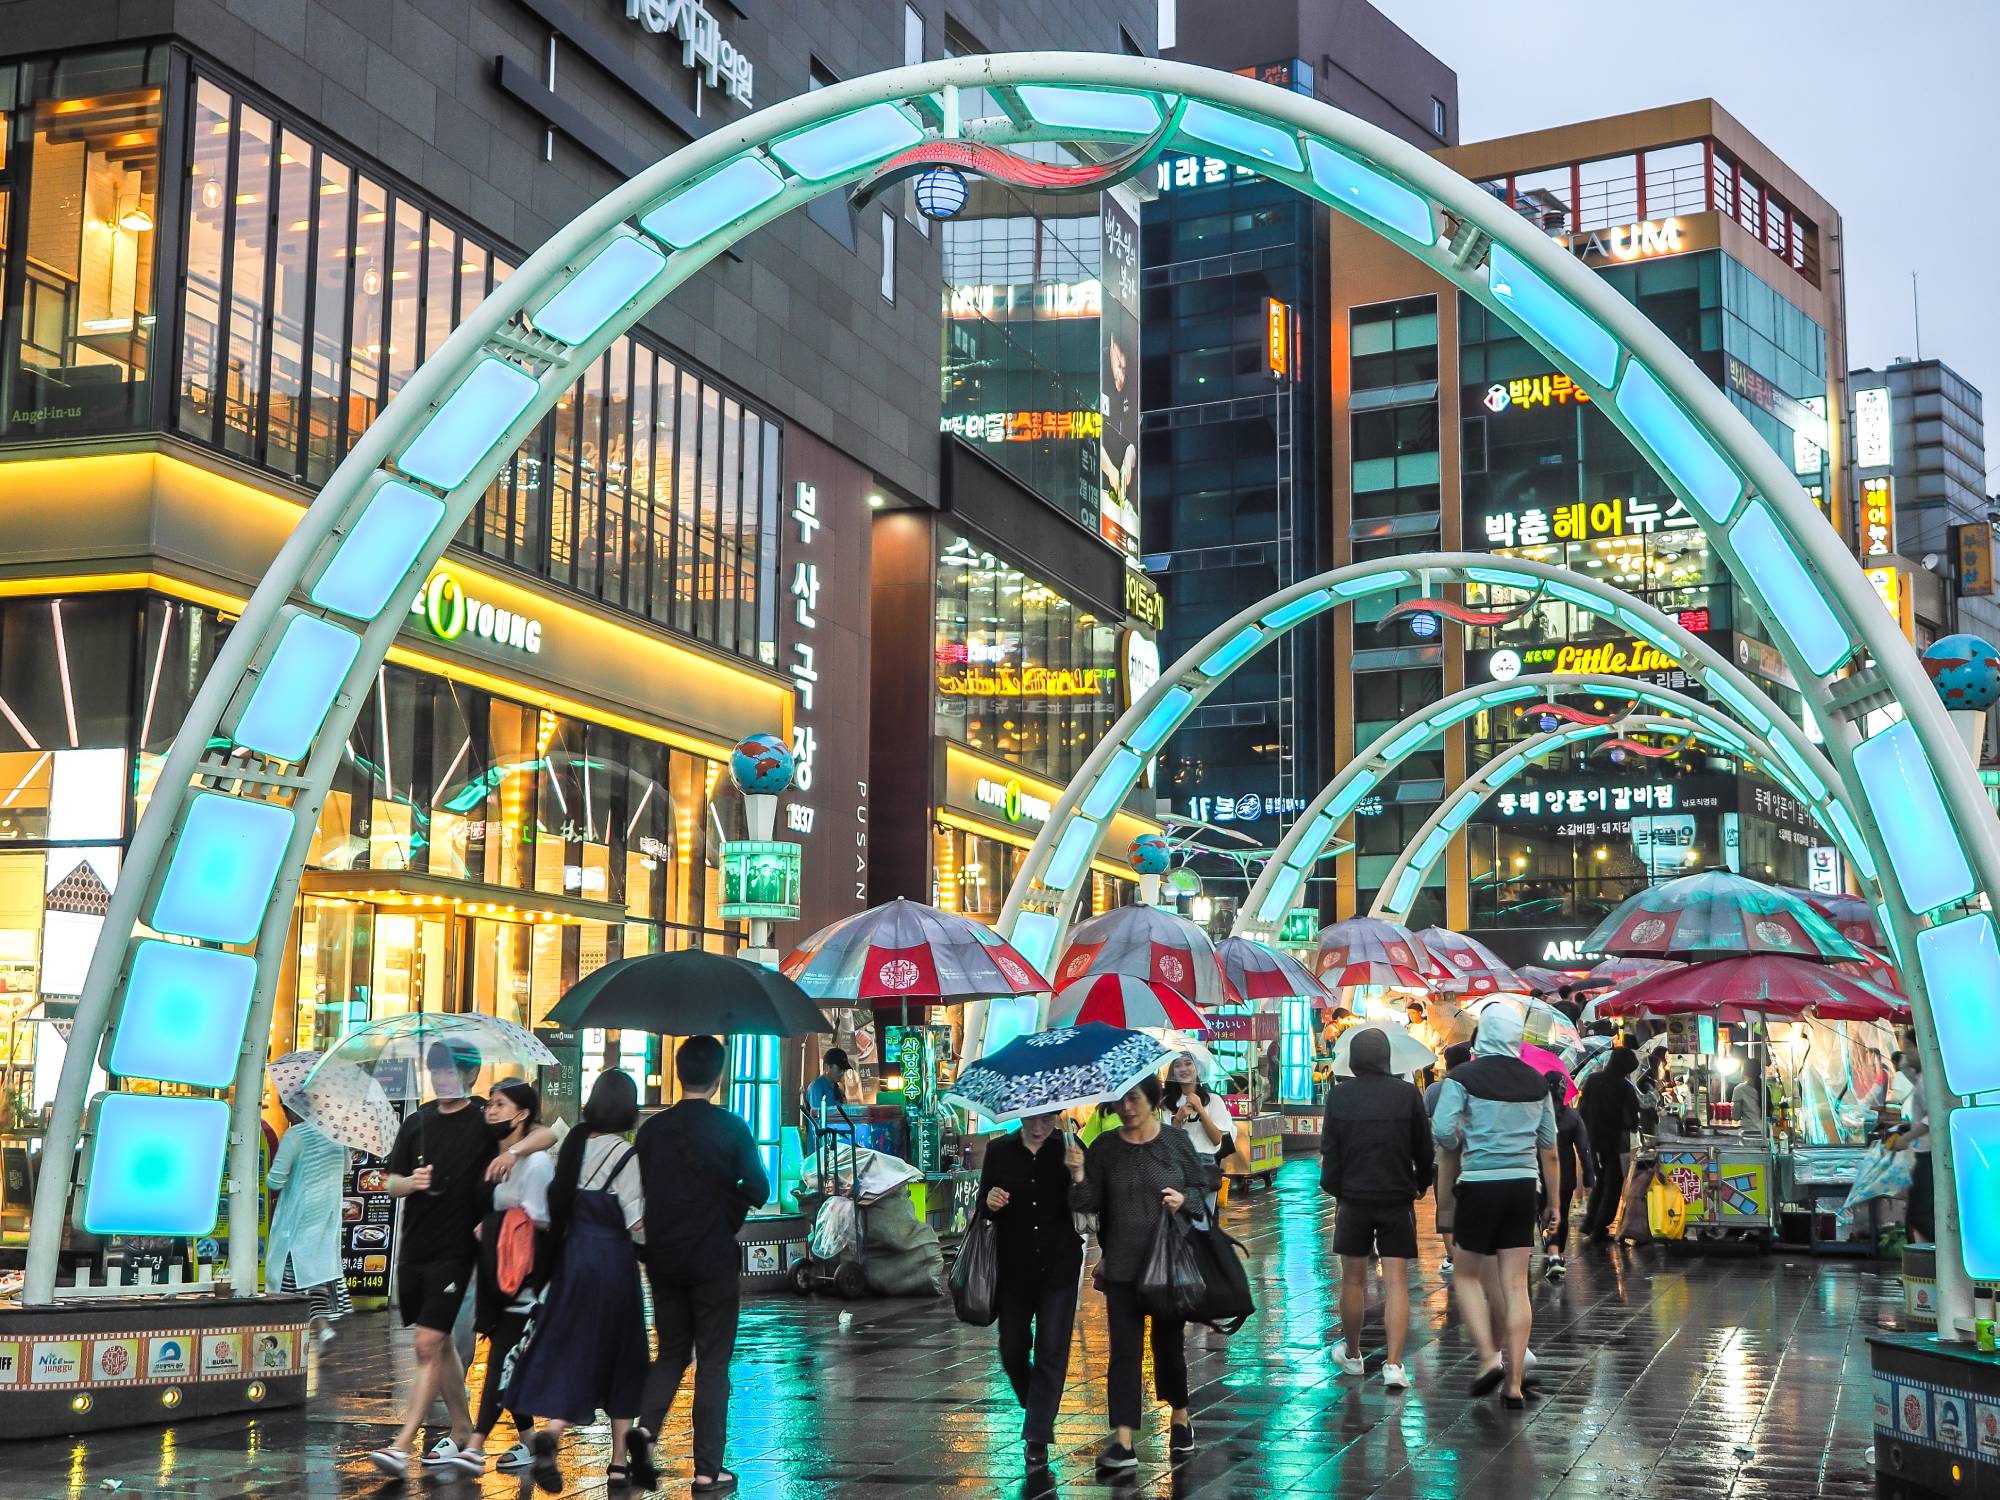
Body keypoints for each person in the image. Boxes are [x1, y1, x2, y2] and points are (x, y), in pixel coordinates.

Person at [633, 1036, 772, 1495]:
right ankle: (707, 1471)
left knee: (671, 1352)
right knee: (713, 1363)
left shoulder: (652, 1130)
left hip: (663, 1256)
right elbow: (759, 1188)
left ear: (678, 1073)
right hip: (712, 1256)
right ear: (719, 1076)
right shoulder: (732, 1127)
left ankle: (646, 1429)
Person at [507, 1069, 650, 1494]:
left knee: (577, 1349)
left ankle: (552, 1431)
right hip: (613, 1266)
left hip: (573, 1264)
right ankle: (619, 1463)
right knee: (624, 1357)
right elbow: (636, 1221)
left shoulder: (573, 1148)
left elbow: (555, 1210)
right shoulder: (627, 1155)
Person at [370, 1042, 502, 1479]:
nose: (442, 1078)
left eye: (450, 1071)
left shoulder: (485, 1118)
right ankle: (463, 1427)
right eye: (436, 1071)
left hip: (457, 1249)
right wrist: (411, 1181)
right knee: (440, 1342)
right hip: (415, 1246)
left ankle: (401, 1444)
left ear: (470, 1075)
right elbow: (387, 1182)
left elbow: (545, 1132)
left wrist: (511, 1156)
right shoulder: (418, 1122)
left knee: (427, 1343)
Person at [1067, 1075, 1206, 1473]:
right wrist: (1078, 1173)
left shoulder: (1175, 1143)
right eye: (1120, 1100)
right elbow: (1087, 1202)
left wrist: (1183, 1200)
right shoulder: (1105, 1148)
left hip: (1166, 1266)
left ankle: (1180, 1416)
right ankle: (1123, 1441)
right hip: (1122, 1269)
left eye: (1134, 1099)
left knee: (1167, 1349)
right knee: (1124, 1353)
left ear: (1152, 1099)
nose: (1126, 1107)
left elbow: (1201, 1190)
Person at [1432, 1006, 1559, 1409]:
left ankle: (1488, 1357)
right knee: (1516, 1284)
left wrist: (1464, 1133)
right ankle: (1515, 1384)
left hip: (1479, 1187)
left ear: (1482, 1036)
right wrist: (1553, 1203)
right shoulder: (1536, 1081)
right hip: (1524, 1187)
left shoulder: (1461, 1078)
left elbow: (1441, 1133)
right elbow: (1550, 1148)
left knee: (1466, 1275)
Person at [1319, 1025, 1432, 1390]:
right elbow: (1423, 1148)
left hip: (1353, 1197)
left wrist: (1336, 1189)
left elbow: (1330, 1150)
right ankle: (1394, 1364)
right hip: (1396, 1196)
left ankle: (1353, 1355)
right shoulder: (1408, 1095)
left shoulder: (1339, 1096)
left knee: (1353, 1280)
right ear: (1386, 1057)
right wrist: (1421, 1184)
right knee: (1397, 1282)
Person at [978, 1110, 1084, 1469]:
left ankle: (1037, 1434)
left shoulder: (1070, 1147)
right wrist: (991, 1202)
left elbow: (1089, 1202)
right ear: (1019, 1116)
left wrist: (1078, 1172)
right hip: (1015, 1268)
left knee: (1052, 1350)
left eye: (1047, 1119)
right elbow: (983, 1206)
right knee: (1012, 1348)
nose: (1039, 1128)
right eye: (1032, 1120)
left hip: (1060, 1266)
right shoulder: (1000, 1151)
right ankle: (1036, 1404)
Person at [462, 1081, 555, 1474]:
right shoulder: (492, 1154)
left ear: (522, 1114)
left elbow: (540, 1221)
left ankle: (476, 1444)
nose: (492, 1111)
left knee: (502, 1358)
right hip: (498, 1279)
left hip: (526, 1283)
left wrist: (495, 1226)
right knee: (507, 1361)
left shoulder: (534, 1163)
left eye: (501, 1105)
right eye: (489, 1104)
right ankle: (530, 1442)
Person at [265, 1103, 351, 1343]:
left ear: (292, 1108)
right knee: (316, 1274)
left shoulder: (294, 1136)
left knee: (290, 1281)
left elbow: (275, 1181)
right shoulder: (334, 1133)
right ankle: (323, 1330)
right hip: (326, 1218)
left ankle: (286, 1341)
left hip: (297, 1219)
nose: (285, 1114)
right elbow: (346, 1167)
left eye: (284, 1108)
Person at [1578, 1048, 1642, 1243]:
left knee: (1600, 1183)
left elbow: (1582, 1108)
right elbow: (1631, 1120)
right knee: (1613, 1185)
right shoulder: (1625, 1087)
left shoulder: (1592, 1080)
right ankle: (1599, 1227)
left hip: (1592, 1139)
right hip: (1615, 1142)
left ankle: (1589, 1222)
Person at [1160, 1053, 1234, 1216]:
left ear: (1198, 1069)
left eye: (1188, 1064)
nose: (1183, 1069)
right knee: (1178, 1221)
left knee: (1202, 1221)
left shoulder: (1213, 1100)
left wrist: (1200, 1109)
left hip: (1204, 1164)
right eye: (1178, 1065)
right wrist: (1178, 1120)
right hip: (1176, 1165)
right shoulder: (1167, 1103)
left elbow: (1216, 1140)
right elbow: (1166, 1142)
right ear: (1172, 1071)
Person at [1542, 1071, 1595, 1277]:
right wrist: (1589, 1176)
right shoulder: (1572, 1117)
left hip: (1539, 1173)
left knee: (1541, 1213)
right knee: (1561, 1213)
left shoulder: (1536, 1114)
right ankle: (1556, 1252)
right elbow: (1584, 1148)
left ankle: (1550, 1249)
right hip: (1564, 1176)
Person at [1888, 1052, 1934, 1242]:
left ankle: (1943, 1258)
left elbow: (1931, 1117)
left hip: (1930, 1154)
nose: (1906, 1056)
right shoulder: (1921, 1078)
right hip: (1922, 1152)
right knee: (1916, 1214)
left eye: (1908, 1047)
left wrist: (1906, 1137)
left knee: (1918, 1214)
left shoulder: (1928, 1081)